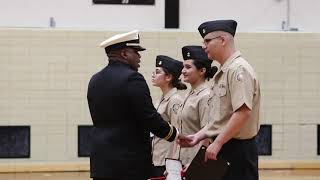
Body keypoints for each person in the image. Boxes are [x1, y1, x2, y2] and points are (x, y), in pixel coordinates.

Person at [87, 30, 180, 180]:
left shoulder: (95, 80)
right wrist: (174, 134)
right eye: (136, 51)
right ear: (124, 54)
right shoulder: (132, 78)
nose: (139, 56)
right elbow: (148, 117)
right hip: (128, 163)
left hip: (101, 161)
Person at [178, 20, 261, 180]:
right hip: (224, 146)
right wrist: (199, 136)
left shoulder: (238, 69)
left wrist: (217, 143)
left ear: (222, 40)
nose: (203, 46)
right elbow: (220, 118)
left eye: (207, 40)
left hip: (237, 149)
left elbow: (243, 112)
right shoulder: (223, 72)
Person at [172, 45, 218, 167]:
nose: (183, 71)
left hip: (193, 162)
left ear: (202, 71)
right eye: (183, 67)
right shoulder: (188, 94)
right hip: (181, 161)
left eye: (188, 67)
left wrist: (197, 166)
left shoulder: (206, 96)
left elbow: (207, 135)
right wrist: (173, 164)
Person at [150, 55, 187, 177]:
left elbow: (178, 134)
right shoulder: (162, 99)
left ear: (168, 77)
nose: (153, 75)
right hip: (157, 158)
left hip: (166, 162)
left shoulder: (175, 100)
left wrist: (173, 165)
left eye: (157, 72)